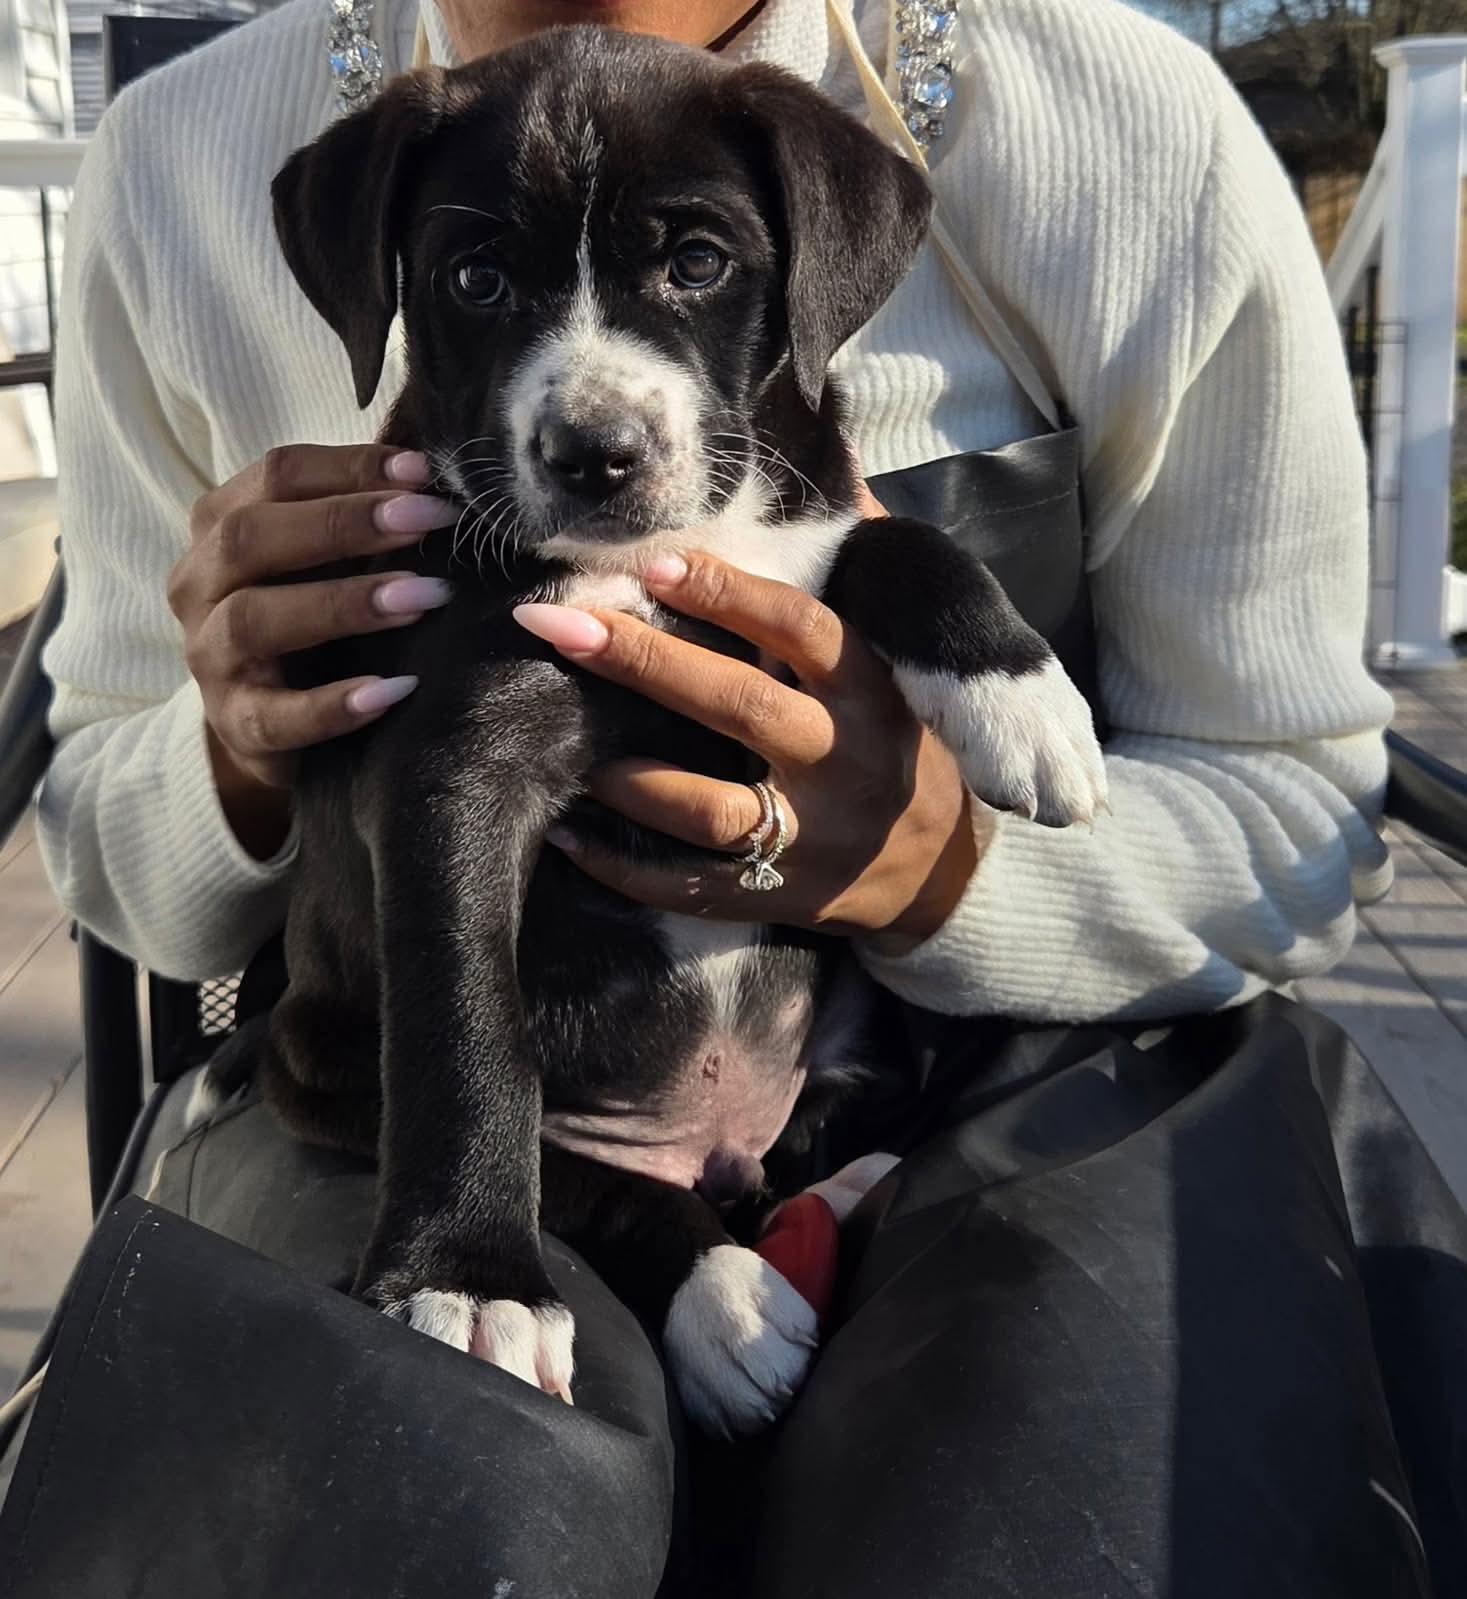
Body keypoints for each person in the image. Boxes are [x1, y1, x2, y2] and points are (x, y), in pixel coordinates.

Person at [22, 0, 1466, 1593]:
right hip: (428, 1084)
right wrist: (238, 739)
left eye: (694, 263)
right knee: (412, 1507)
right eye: (480, 281)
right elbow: (102, 830)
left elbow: (1296, 813)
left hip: (981, 1076)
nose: (592, 407)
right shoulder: (179, 165)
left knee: (1055, 1524)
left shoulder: (1131, 129)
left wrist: (947, 875)